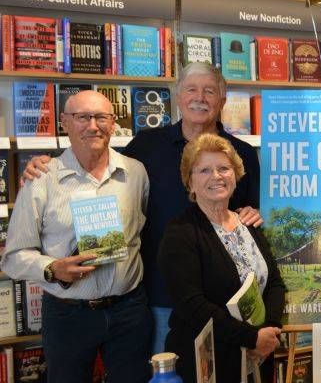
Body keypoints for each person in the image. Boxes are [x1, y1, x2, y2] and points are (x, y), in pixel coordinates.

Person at [22, 62, 263, 355]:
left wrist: (253, 214)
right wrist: (50, 163)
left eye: (209, 91)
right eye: (191, 89)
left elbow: (250, 214)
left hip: (227, 299)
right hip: (161, 297)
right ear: (178, 96)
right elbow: (99, 164)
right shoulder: (146, 146)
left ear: (222, 100)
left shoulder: (244, 155)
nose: (200, 97)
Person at [2, 91, 151, 383]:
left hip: (128, 310)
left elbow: (141, 229)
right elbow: (13, 256)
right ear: (65, 122)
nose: (92, 126)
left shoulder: (135, 173)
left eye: (101, 117)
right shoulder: (41, 180)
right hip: (68, 314)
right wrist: (53, 269)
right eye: (82, 117)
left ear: (113, 123)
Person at [158, 134, 284, 383]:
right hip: (207, 369)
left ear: (235, 176)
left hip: (255, 359)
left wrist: (269, 333)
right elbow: (193, 305)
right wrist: (251, 338)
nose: (216, 176)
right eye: (204, 170)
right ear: (190, 182)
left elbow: (274, 282)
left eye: (224, 168)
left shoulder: (248, 224)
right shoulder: (179, 233)